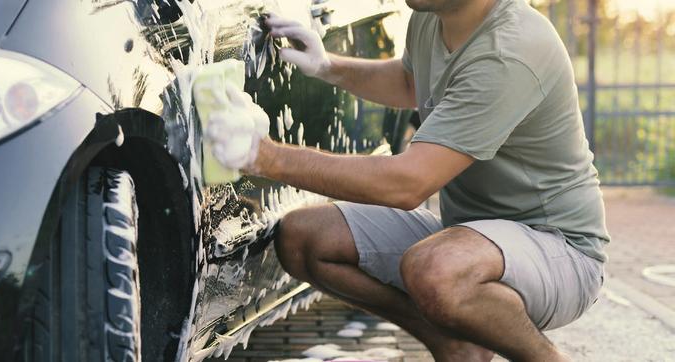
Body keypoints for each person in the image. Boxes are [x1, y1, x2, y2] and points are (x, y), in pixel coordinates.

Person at [203, 0, 609, 360]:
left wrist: (264, 156)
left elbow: (406, 185)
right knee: (304, 237)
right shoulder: (433, 15)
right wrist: (328, 66)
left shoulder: (510, 50)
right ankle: (455, 343)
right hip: (470, 234)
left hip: (560, 250)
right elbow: (411, 83)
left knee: (437, 269)